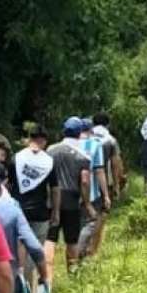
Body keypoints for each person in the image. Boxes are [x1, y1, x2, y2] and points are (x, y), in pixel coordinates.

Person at [47, 117, 95, 284]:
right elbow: (84, 180)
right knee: (72, 240)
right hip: (72, 201)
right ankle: (73, 276)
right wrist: (87, 203)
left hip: (52, 200)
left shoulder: (51, 150)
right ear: (79, 132)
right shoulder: (83, 155)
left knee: (50, 239)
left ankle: (47, 277)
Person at [8, 124, 61, 265]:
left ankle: (18, 280)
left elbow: (8, 185)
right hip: (40, 212)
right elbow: (55, 189)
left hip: (17, 211)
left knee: (17, 249)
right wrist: (55, 212)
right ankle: (30, 283)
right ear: (44, 141)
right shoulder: (49, 161)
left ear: (29, 138)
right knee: (35, 251)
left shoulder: (15, 158)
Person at [77, 118, 111, 259]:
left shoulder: (71, 144)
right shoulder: (96, 144)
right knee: (90, 222)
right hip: (91, 192)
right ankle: (80, 253)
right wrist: (106, 194)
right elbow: (99, 171)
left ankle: (76, 254)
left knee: (77, 224)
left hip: (71, 192)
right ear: (91, 130)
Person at [93, 112, 126, 204]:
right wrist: (116, 184)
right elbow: (115, 164)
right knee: (102, 207)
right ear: (108, 124)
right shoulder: (111, 140)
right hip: (103, 178)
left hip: (83, 179)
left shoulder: (84, 138)